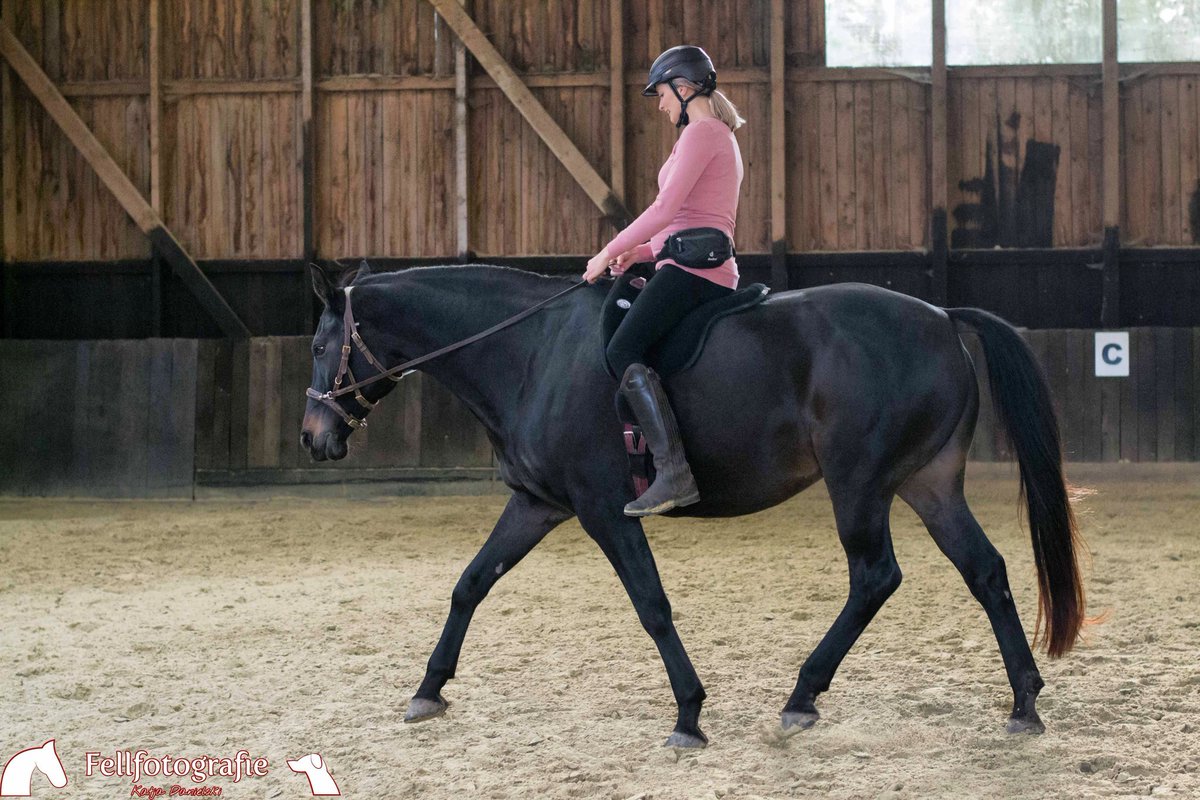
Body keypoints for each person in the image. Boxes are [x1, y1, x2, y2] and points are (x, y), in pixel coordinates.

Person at [582, 44, 746, 517]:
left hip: (695, 273)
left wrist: (607, 250)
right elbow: (692, 219)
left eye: (662, 94)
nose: (660, 105)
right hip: (688, 261)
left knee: (622, 349)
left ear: (685, 87)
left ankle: (673, 472)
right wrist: (641, 253)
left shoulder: (703, 133)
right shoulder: (710, 135)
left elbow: (665, 209)